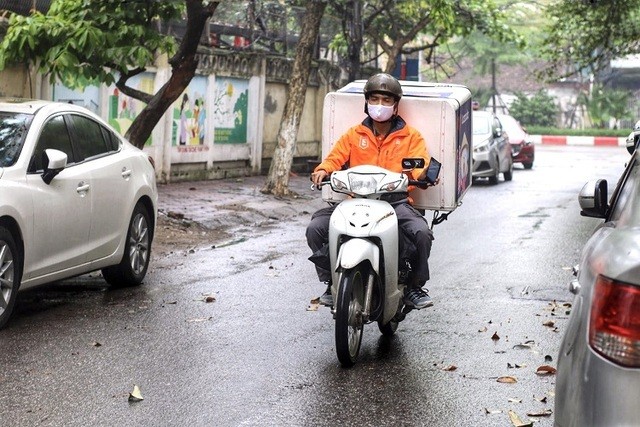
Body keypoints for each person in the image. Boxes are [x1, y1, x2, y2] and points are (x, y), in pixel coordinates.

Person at [306, 73, 435, 310]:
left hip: (395, 203)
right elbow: (335, 158)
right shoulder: (354, 134)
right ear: (366, 102)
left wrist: (422, 176)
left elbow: (420, 165)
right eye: (375, 99)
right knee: (316, 228)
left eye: (386, 101)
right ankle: (330, 281)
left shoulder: (410, 136)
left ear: (395, 105)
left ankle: (414, 285)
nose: (380, 105)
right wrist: (323, 170)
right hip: (357, 200)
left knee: (421, 233)